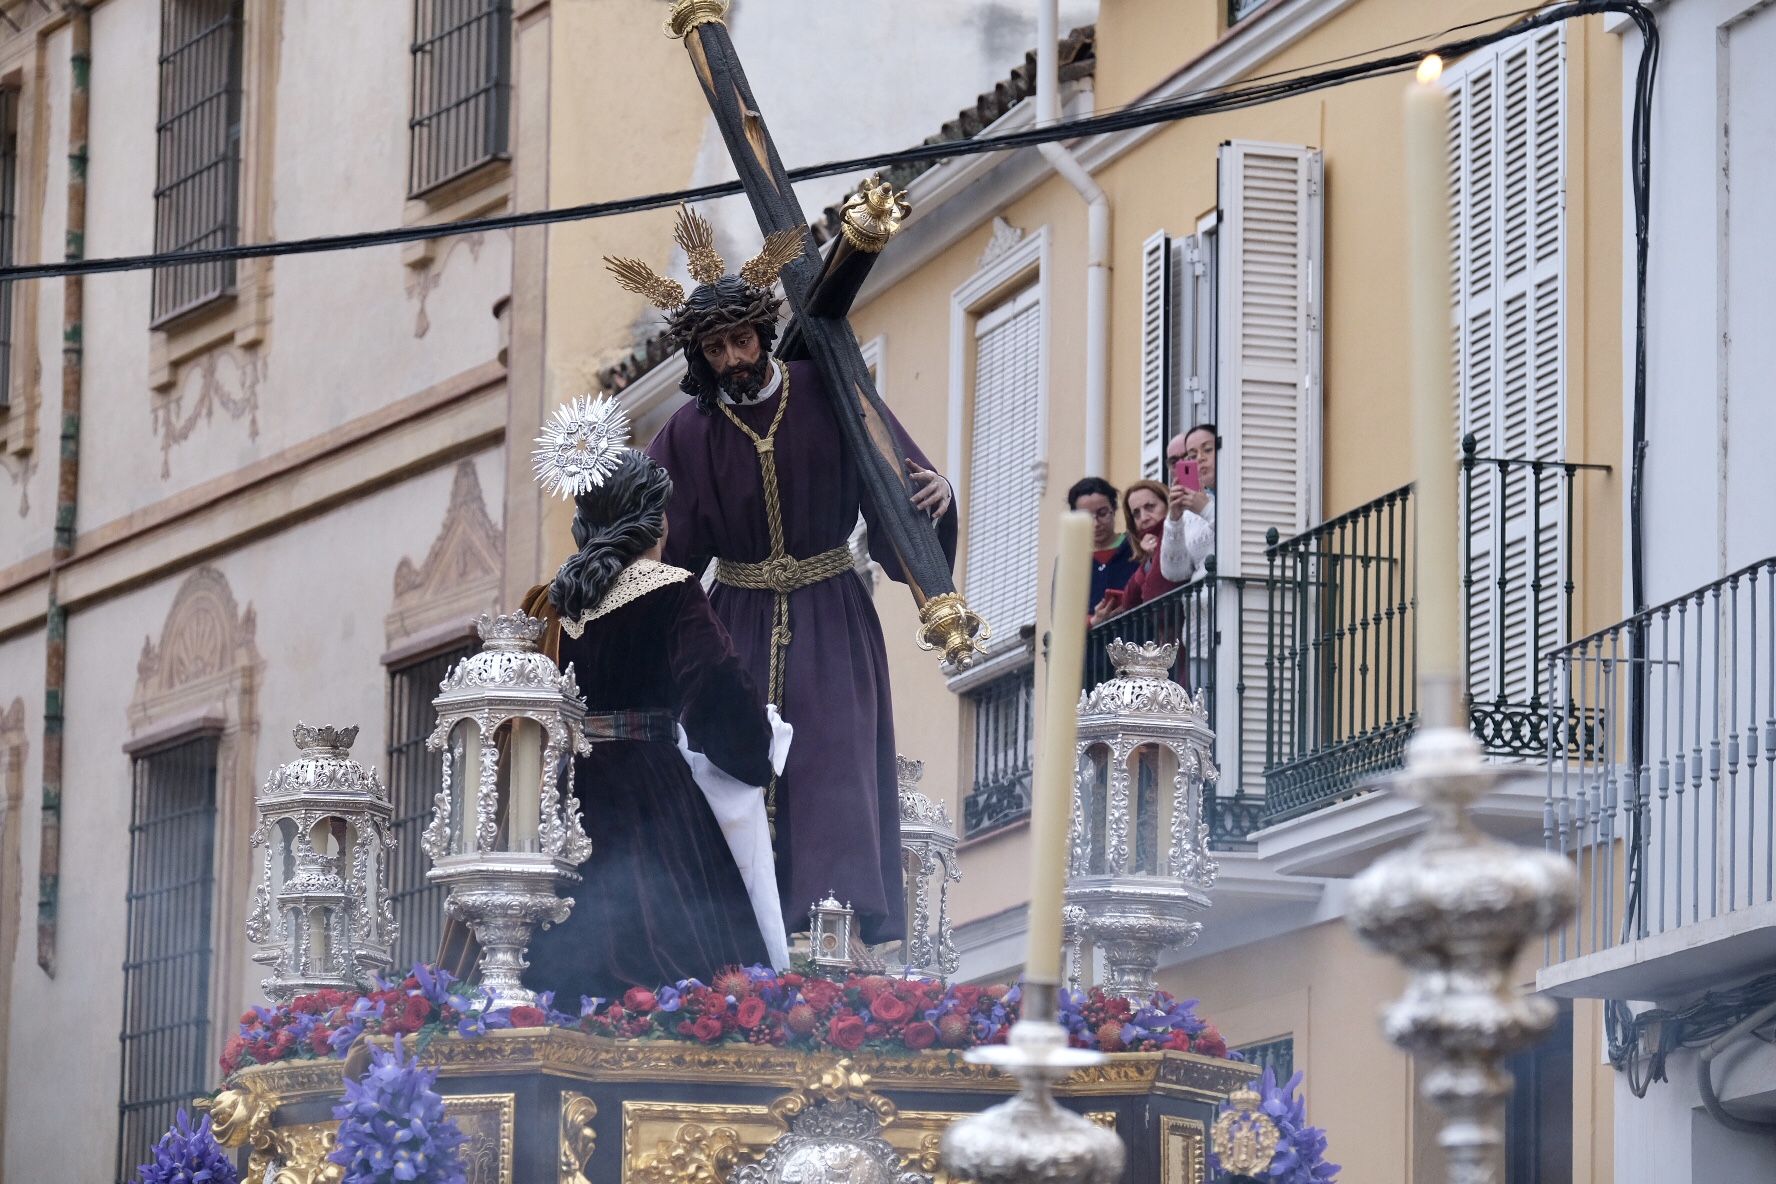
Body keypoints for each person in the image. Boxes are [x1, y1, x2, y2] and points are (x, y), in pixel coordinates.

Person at [610, 207, 957, 950]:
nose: (734, 356)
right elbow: (661, 554)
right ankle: (740, 931)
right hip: (732, 619)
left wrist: (937, 499)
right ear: (699, 358)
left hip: (832, 612)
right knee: (736, 766)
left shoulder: (829, 392)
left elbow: (901, 490)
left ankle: (836, 930)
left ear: (763, 335)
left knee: (833, 768)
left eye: (741, 339)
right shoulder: (687, 433)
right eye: (716, 347)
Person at [520, 433, 783, 997]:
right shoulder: (671, 589)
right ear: (652, 521)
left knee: (561, 966)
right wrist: (752, 753)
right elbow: (715, 681)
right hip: (648, 794)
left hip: (560, 803)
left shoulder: (553, 603)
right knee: (685, 965)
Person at [1105, 479, 1178, 617]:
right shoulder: (1146, 552)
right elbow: (1129, 601)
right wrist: (1149, 560)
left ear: (1168, 504)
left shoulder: (1182, 532)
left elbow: (1159, 595)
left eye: (1150, 507)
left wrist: (1155, 556)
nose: (1143, 518)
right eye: (1136, 514)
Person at [1071, 476, 1140, 620]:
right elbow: (1062, 616)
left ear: (1114, 510)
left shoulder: (1136, 544)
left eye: (1102, 513)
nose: (1096, 523)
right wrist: (1093, 621)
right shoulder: (1070, 561)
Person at [1158, 424, 1218, 584]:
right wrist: (1174, 519)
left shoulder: (1242, 494)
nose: (1200, 458)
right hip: (1199, 607)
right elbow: (1175, 572)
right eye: (1192, 455)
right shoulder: (1189, 511)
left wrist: (1206, 509)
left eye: (1208, 449)